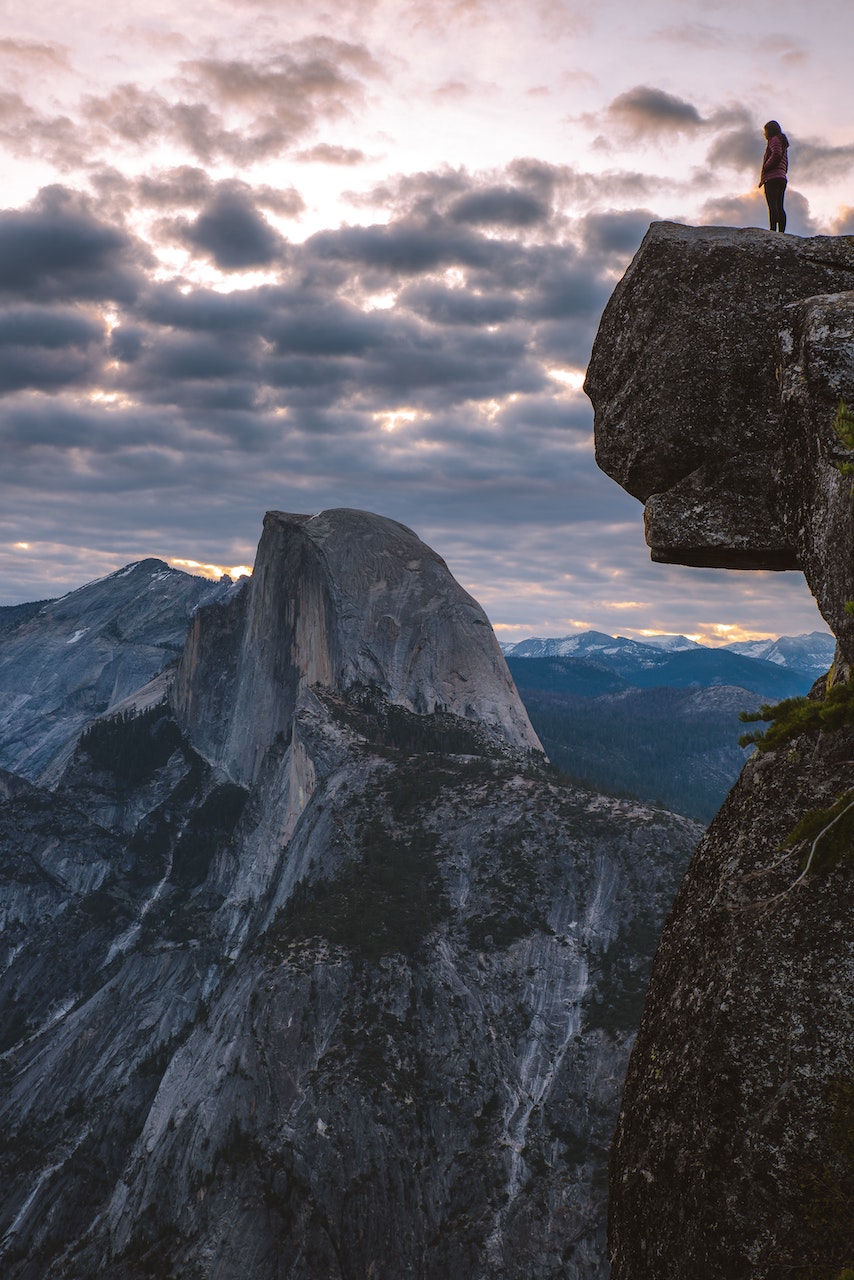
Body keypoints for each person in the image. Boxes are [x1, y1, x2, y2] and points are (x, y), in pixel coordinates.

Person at [759, 120, 789, 232]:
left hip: (772, 177)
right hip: (781, 177)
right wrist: (783, 172)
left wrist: (766, 166)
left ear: (770, 131)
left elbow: (776, 154)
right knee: (779, 206)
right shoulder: (782, 142)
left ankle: (773, 231)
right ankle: (781, 232)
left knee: (773, 206)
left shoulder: (774, 140)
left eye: (765, 131)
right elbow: (786, 162)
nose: (764, 134)